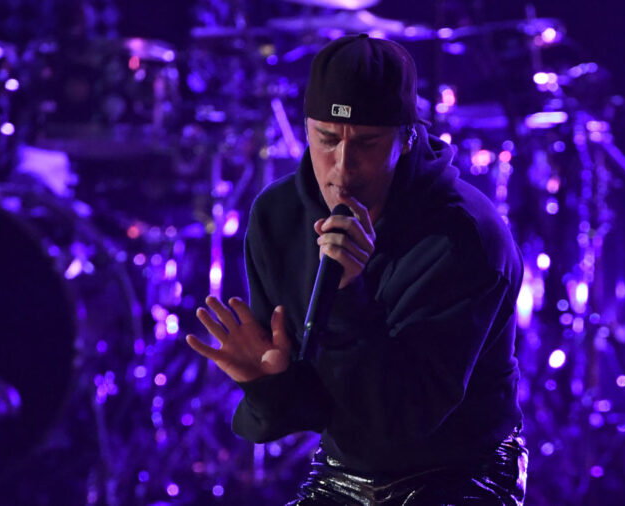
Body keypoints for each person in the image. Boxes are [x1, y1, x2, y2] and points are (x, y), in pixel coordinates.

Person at [186, 33, 528, 505]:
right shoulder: (277, 217)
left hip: (461, 473)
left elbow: (404, 421)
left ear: (407, 138)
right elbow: (312, 408)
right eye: (326, 139)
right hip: (344, 470)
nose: (343, 169)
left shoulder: (465, 237)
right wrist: (267, 382)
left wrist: (346, 294)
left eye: (366, 143)